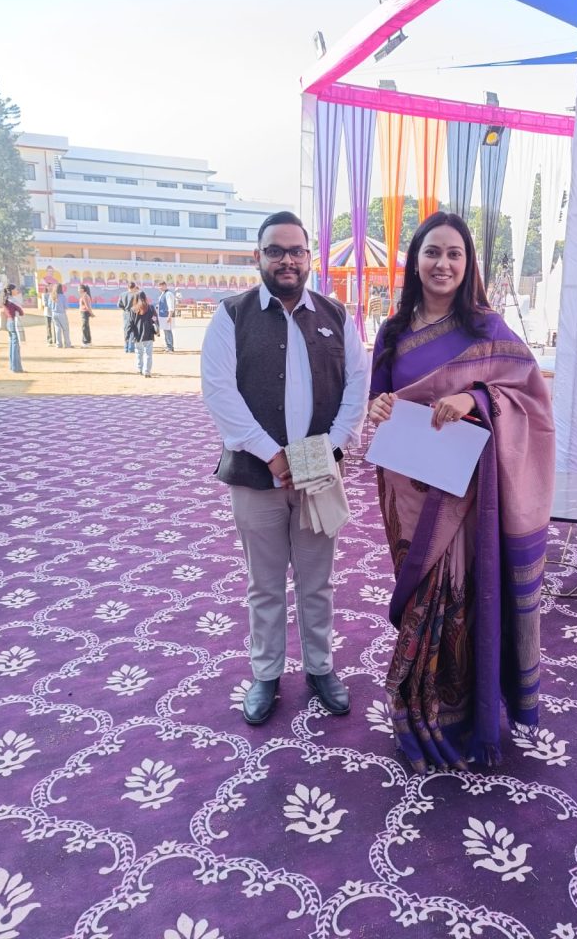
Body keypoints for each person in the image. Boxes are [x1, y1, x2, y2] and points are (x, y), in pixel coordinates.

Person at [368, 212, 555, 774]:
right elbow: (378, 401)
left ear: (468, 262)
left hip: (467, 489)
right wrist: (379, 407)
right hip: (407, 484)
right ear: (415, 261)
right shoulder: (393, 331)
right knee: (420, 595)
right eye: (432, 252)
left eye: (454, 253)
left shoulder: (486, 328)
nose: (443, 263)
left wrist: (474, 399)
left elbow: (530, 397)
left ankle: (459, 714)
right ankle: (416, 708)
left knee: (461, 596)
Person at [201, 210, 369, 726]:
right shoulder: (231, 315)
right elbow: (220, 393)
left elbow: (357, 387)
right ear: (258, 257)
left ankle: (320, 668)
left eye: (296, 250)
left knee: (317, 582)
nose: (287, 260)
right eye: (275, 251)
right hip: (256, 476)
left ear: (309, 257)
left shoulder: (336, 315)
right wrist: (271, 455)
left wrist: (330, 449)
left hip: (319, 474)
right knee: (265, 584)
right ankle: (266, 674)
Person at [125, 290, 158, 377]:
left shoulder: (133, 309)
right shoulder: (151, 308)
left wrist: (127, 335)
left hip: (137, 335)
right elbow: (155, 319)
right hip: (148, 334)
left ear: (135, 298)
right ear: (145, 297)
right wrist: (157, 328)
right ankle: (147, 371)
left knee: (139, 352)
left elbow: (130, 323)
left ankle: (139, 369)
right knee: (148, 354)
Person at [0, 284, 25, 373]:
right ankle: (16, 368)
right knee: (15, 345)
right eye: (15, 289)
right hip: (14, 322)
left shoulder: (6, 300)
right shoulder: (12, 300)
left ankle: (13, 366)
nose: (17, 290)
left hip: (9, 322)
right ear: (11, 291)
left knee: (12, 344)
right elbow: (21, 312)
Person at [117, 282, 138, 353]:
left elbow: (118, 305)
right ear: (134, 287)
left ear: (128, 287)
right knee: (133, 330)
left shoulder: (122, 294)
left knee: (126, 330)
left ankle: (126, 348)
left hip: (125, 313)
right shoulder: (136, 295)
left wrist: (125, 309)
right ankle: (131, 348)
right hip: (133, 313)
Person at [51, 283, 73, 348]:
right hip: (61, 314)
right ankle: (67, 344)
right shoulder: (63, 296)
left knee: (57, 329)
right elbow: (66, 307)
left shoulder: (52, 296)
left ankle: (58, 344)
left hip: (54, 313)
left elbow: (49, 305)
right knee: (65, 329)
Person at [157, 280, 175, 351]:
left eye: (161, 286)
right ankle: (168, 346)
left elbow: (170, 306)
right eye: (159, 286)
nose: (160, 288)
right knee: (165, 331)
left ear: (165, 286)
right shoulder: (162, 294)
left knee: (168, 331)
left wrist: (169, 316)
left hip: (167, 316)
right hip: (162, 316)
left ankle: (170, 347)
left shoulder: (168, 294)